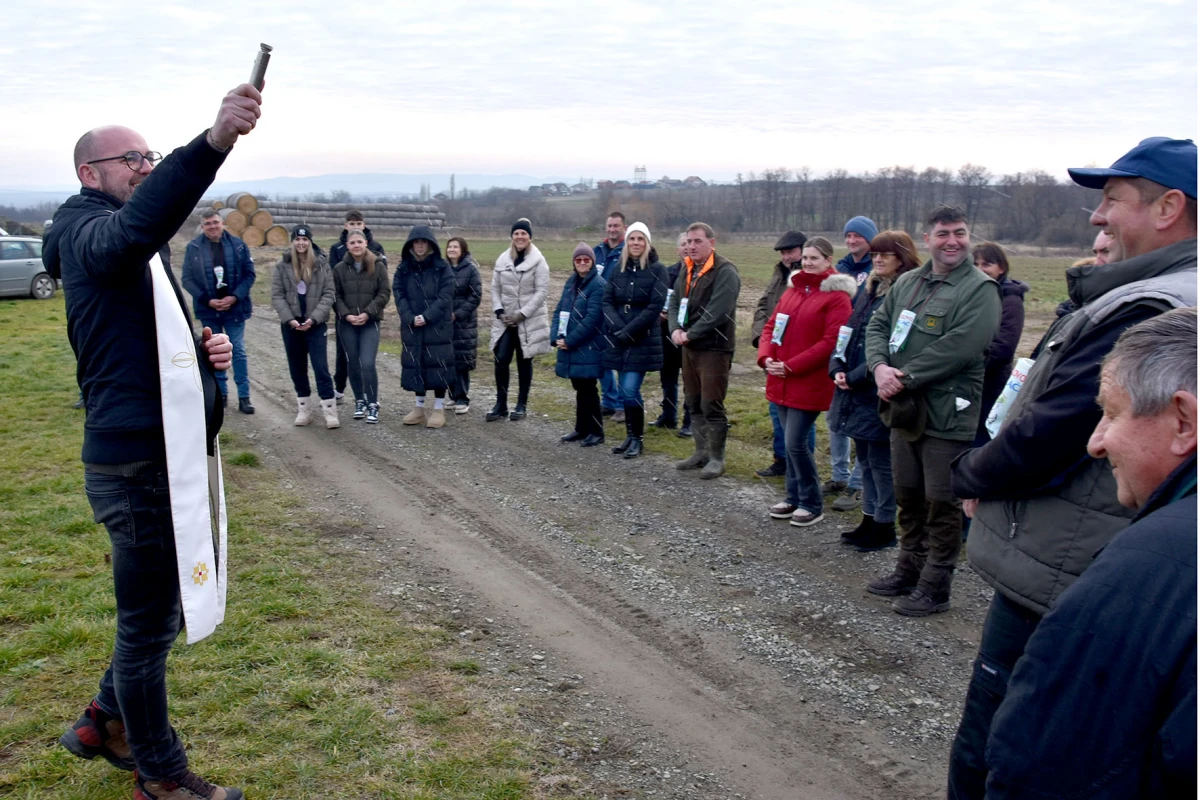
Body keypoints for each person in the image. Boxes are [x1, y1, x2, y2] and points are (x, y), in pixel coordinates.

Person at [945, 137, 1198, 799]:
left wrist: (971, 476)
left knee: (1004, 745)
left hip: (1066, 566)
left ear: (1169, 207)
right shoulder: (1153, 292)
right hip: (1102, 558)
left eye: (1113, 199)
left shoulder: (1153, 307)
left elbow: (1057, 431)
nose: (1097, 216)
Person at [45, 84, 260, 800]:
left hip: (153, 454)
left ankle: (102, 722)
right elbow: (136, 232)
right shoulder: (89, 233)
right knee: (148, 626)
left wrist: (200, 354)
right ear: (90, 173)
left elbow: (140, 335)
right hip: (135, 465)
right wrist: (212, 144)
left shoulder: (117, 234)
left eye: (150, 156)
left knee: (156, 612)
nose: (143, 165)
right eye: (131, 157)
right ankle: (161, 777)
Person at [984, 308, 1197, 799]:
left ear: (1183, 421)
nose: (1097, 443)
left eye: (1112, 413)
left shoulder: (1148, 567)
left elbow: (1051, 767)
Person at [863, 206, 1001, 617]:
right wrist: (879, 367)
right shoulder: (908, 282)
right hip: (904, 411)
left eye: (960, 232)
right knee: (907, 494)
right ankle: (908, 569)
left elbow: (963, 345)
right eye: (943, 234)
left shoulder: (980, 289)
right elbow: (877, 327)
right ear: (928, 239)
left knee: (942, 503)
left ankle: (936, 585)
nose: (953, 241)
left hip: (947, 414)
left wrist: (902, 376)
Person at [828, 231, 922, 551]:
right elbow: (850, 332)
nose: (878, 259)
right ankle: (868, 519)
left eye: (886, 254)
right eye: (875, 254)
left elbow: (892, 347)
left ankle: (884, 526)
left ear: (903, 257)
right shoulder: (870, 289)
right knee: (865, 460)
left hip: (876, 391)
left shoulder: (904, 294)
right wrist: (836, 366)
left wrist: (854, 376)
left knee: (881, 463)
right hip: (855, 388)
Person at [758, 236, 855, 525]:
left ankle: (812, 503)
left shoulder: (837, 297)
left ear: (828, 261)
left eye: (815, 258)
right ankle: (792, 497)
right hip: (780, 377)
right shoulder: (793, 291)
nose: (808, 263)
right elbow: (772, 325)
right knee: (790, 444)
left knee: (796, 442)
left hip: (808, 380)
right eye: (806, 258)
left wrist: (792, 367)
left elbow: (831, 342)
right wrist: (766, 359)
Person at [668, 222, 741, 479]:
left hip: (715, 348)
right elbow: (675, 300)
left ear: (712, 242)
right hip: (689, 347)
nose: (691, 246)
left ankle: (717, 458)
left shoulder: (725, 271)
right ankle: (700, 452)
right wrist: (675, 328)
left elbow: (718, 311)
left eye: (697, 241)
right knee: (693, 401)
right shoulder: (688, 269)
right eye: (688, 242)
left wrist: (690, 333)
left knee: (712, 403)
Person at [602, 222, 669, 459]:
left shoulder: (657, 269)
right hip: (619, 337)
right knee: (624, 388)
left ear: (647, 242)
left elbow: (654, 306)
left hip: (643, 339)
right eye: (632, 239)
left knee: (630, 389)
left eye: (641, 239)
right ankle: (630, 436)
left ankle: (638, 438)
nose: (636, 243)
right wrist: (619, 328)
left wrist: (629, 331)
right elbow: (607, 301)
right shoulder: (617, 270)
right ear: (626, 242)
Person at [825, 215, 877, 509]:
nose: (852, 240)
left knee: (861, 423)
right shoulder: (841, 268)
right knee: (836, 419)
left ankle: (858, 484)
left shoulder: (875, 270)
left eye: (858, 236)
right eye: (848, 235)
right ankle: (838, 475)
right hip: (841, 350)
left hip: (866, 352)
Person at [182, 209, 256, 414]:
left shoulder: (239, 246)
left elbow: (249, 275)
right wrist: (209, 300)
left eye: (215, 222)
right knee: (215, 354)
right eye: (208, 224)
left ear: (222, 223)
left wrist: (234, 297)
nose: (212, 226)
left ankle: (244, 397)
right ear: (202, 226)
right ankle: (220, 394)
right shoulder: (194, 248)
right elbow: (187, 279)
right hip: (208, 311)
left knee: (238, 351)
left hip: (235, 310)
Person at [752, 230, 808, 478]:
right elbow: (764, 305)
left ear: (803, 250)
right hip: (773, 352)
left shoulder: (808, 278)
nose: (786, 257)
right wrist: (760, 338)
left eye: (790, 251)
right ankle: (781, 460)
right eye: (783, 253)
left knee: (800, 413)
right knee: (776, 409)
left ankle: (801, 465)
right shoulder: (779, 274)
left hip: (797, 355)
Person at [488, 219, 551, 421]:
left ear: (530, 237)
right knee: (501, 360)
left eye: (524, 233)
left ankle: (521, 404)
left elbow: (541, 291)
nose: (520, 237)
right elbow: (495, 287)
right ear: (512, 237)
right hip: (505, 321)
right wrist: (499, 311)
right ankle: (501, 404)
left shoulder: (539, 261)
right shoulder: (502, 260)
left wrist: (522, 313)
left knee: (524, 362)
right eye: (516, 234)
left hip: (527, 320)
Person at [393, 226, 455, 428]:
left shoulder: (442, 267)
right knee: (416, 362)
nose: (420, 245)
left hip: (436, 325)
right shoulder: (403, 269)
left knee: (438, 364)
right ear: (411, 244)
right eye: (416, 242)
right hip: (412, 324)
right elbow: (399, 294)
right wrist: (410, 317)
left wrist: (427, 316)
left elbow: (446, 295)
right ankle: (419, 407)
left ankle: (438, 408)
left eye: (424, 242)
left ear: (430, 244)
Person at [970, 242, 1028, 446]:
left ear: (1001, 268)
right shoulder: (969, 295)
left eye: (986, 264)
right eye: (975, 264)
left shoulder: (1010, 300)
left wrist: (968, 368)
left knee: (981, 443)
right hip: (965, 387)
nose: (979, 269)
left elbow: (1004, 348)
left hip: (990, 385)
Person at [552, 243, 608, 447]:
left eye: (586, 259)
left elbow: (593, 319)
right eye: (578, 260)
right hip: (570, 344)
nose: (582, 263)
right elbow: (559, 310)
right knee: (579, 386)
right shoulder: (572, 283)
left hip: (589, 345)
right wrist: (556, 336)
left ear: (592, 262)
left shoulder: (598, 285)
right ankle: (581, 428)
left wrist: (571, 340)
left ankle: (596, 431)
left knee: (588, 387)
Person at [328, 210, 386, 405]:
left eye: (359, 241)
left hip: (370, 319)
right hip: (346, 319)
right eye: (352, 242)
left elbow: (384, 291)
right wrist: (345, 314)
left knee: (367, 362)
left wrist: (369, 312)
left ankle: (372, 401)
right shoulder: (337, 258)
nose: (356, 245)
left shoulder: (377, 258)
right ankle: (352, 395)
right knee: (348, 359)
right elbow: (334, 292)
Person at [649, 232, 693, 436]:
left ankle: (690, 420)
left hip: (691, 334)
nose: (686, 247)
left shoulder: (702, 275)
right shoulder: (668, 273)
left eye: (690, 243)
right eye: (683, 244)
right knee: (667, 377)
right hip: (667, 333)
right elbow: (658, 297)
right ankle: (668, 415)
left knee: (691, 380)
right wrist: (660, 313)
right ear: (677, 249)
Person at [594, 211, 627, 420]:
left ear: (624, 227)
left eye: (616, 225)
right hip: (598, 313)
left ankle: (624, 405)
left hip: (618, 314)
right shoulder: (597, 251)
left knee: (622, 360)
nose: (613, 229)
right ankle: (609, 400)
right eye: (610, 225)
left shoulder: (627, 252)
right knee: (601, 360)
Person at [446, 236, 482, 414]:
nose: (452, 249)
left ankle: (462, 398)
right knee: (448, 359)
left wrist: (458, 314)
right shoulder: (443, 269)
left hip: (464, 323)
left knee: (461, 361)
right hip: (445, 322)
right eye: (449, 247)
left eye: (455, 247)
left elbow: (475, 296)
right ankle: (452, 395)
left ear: (463, 250)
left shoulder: (471, 270)